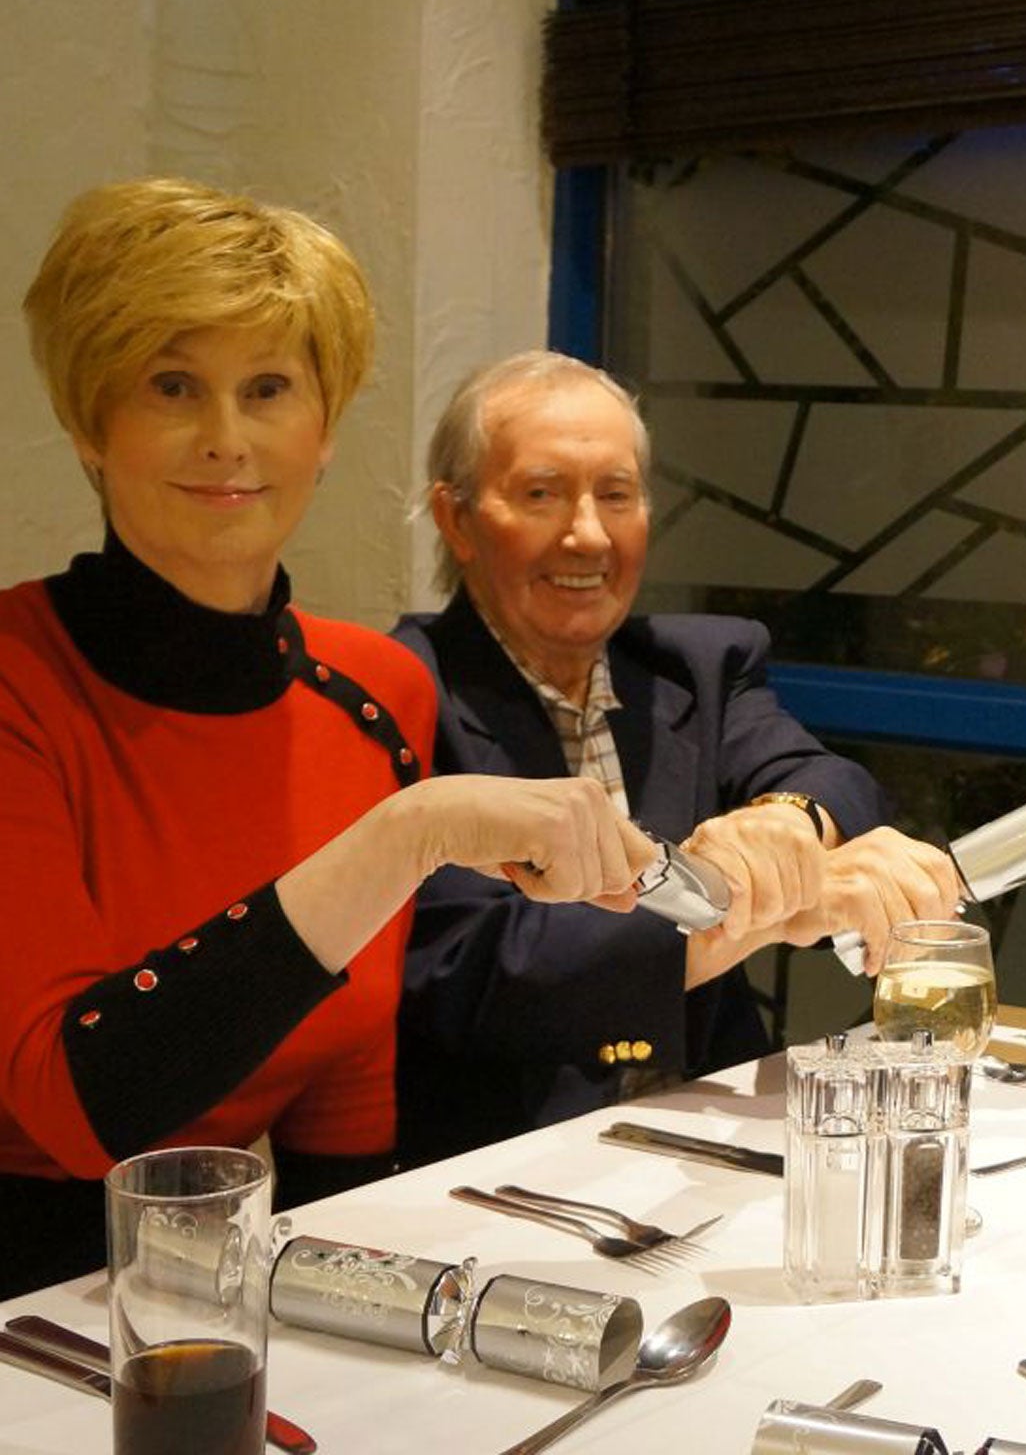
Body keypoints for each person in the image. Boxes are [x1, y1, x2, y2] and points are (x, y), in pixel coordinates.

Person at [0, 181, 658, 1298]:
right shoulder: (20, 682)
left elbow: (344, 1071)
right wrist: (410, 832)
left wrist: (355, 1317)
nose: (226, 439)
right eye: (172, 387)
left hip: (226, 1290)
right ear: (87, 425)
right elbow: (80, 1109)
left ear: (324, 429)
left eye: (267, 389)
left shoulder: (375, 686)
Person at [393, 350, 960, 1164]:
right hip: (496, 1160)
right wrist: (748, 903)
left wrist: (786, 829)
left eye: (616, 495)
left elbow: (830, 780)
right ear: (457, 519)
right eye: (542, 493)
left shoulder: (693, 665)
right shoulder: (403, 692)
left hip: (709, 1136)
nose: (587, 532)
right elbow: (473, 969)